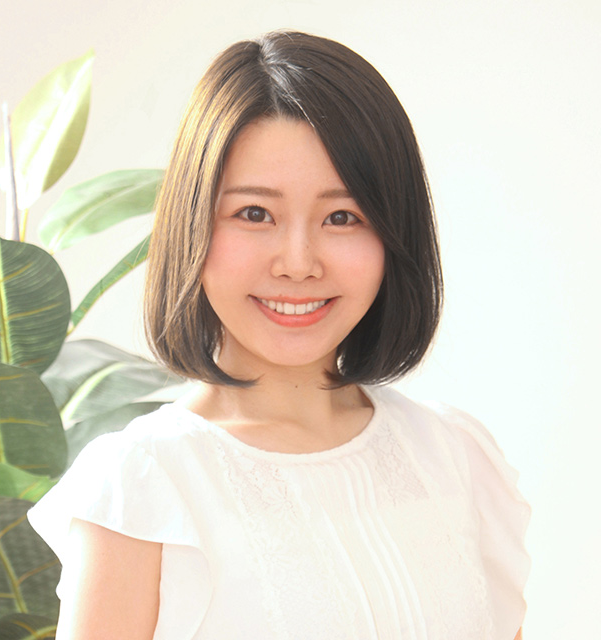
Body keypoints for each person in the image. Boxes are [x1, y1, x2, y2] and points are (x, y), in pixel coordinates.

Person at [28, 30, 530, 640]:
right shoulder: (142, 487)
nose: (298, 262)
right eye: (255, 214)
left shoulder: (454, 457)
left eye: (342, 217)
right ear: (193, 226)